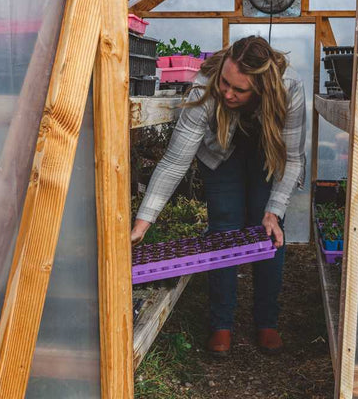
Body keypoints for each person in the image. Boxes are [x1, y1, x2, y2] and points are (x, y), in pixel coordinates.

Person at [131, 36, 306, 356]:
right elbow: (174, 161)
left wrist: (274, 209)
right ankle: (221, 324)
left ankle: (267, 321)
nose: (227, 92)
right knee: (224, 227)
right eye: (225, 82)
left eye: (239, 89)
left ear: (262, 89)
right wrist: (142, 223)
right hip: (220, 151)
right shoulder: (205, 88)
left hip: (268, 153)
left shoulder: (289, 90)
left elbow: (292, 158)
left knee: (267, 229)